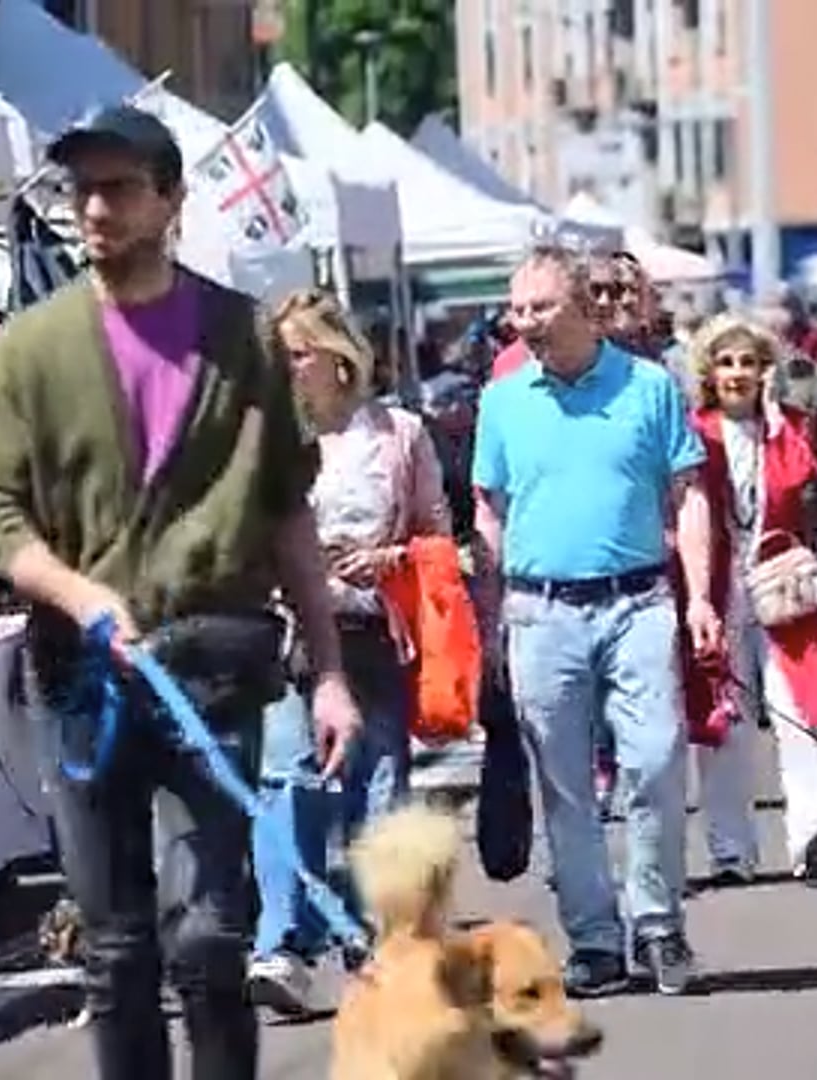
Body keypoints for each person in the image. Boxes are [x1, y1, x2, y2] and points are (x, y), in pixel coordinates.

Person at [0, 106, 360, 1079]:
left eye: (121, 186)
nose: (95, 208)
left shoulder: (243, 339)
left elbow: (286, 510)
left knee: (212, 938)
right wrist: (78, 593)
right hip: (81, 677)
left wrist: (332, 670)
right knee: (115, 949)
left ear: (172, 200)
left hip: (214, 667)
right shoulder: (26, 350)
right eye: (82, 189)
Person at [472, 245, 717, 998]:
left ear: (584, 307)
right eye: (517, 310)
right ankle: (595, 941)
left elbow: (690, 494)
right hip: (540, 610)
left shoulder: (648, 387)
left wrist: (700, 595)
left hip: (637, 600)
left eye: (540, 308)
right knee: (567, 786)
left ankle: (658, 922)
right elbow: (489, 510)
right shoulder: (504, 398)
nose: (525, 323)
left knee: (653, 760)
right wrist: (489, 626)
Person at [246, 290, 452, 1015]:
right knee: (287, 782)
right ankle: (285, 942)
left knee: (377, 792)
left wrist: (392, 556)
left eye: (296, 355)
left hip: (373, 630)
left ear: (339, 358)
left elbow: (439, 538)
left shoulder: (399, 433)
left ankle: (376, 941)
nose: (286, 370)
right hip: (285, 634)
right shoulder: (262, 440)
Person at [681, 315, 817, 886]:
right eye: (726, 362)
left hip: (783, 591)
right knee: (722, 722)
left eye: (748, 363)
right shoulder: (693, 431)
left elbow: (805, 481)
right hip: (719, 592)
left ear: (765, 372)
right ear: (709, 371)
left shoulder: (787, 428)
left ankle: (814, 835)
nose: (737, 374)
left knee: (800, 714)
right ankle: (732, 850)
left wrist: (779, 420)